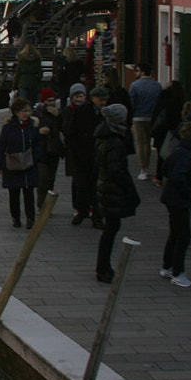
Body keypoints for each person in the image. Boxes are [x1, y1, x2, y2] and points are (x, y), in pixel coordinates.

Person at [93, 103, 139, 283]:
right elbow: (117, 170)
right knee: (111, 229)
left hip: (105, 186)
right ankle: (103, 268)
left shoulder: (104, 135)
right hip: (111, 189)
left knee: (111, 229)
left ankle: (103, 266)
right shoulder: (114, 141)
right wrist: (129, 189)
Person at [160, 122, 191, 288]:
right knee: (183, 236)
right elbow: (178, 176)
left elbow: (166, 169)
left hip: (172, 198)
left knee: (175, 232)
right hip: (179, 199)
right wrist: (189, 191)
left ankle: (167, 266)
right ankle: (178, 273)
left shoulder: (178, 150)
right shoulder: (187, 154)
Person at [0, 97, 43, 229]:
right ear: (15, 112)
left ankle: (30, 218)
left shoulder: (32, 127)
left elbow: (38, 143)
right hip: (12, 163)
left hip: (29, 163)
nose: (26, 114)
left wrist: (36, 157)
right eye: (22, 111)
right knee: (14, 194)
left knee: (29, 193)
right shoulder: (8, 128)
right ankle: (15, 217)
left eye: (27, 110)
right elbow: (1, 147)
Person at [63, 83, 103, 226]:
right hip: (81, 155)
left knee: (96, 187)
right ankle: (82, 210)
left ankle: (97, 214)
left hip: (97, 156)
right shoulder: (80, 112)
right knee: (81, 185)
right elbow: (71, 133)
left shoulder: (104, 113)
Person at [34, 88, 65, 214]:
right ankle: (41, 204)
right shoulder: (37, 113)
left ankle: (47, 205)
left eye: (53, 100)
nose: (51, 103)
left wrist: (59, 116)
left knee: (51, 179)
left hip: (54, 149)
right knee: (43, 178)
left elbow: (66, 128)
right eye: (48, 101)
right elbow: (30, 130)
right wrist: (39, 131)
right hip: (41, 150)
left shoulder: (58, 113)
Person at [127, 65, 162, 179]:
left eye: (137, 71)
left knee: (141, 144)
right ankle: (147, 165)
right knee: (148, 143)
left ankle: (143, 169)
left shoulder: (135, 85)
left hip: (139, 117)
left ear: (142, 72)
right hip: (152, 118)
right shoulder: (157, 86)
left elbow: (131, 103)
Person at [151, 79, 188, 162]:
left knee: (161, 155)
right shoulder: (181, 101)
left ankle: (160, 173)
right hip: (175, 132)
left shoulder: (162, 98)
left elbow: (156, 115)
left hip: (161, 131)